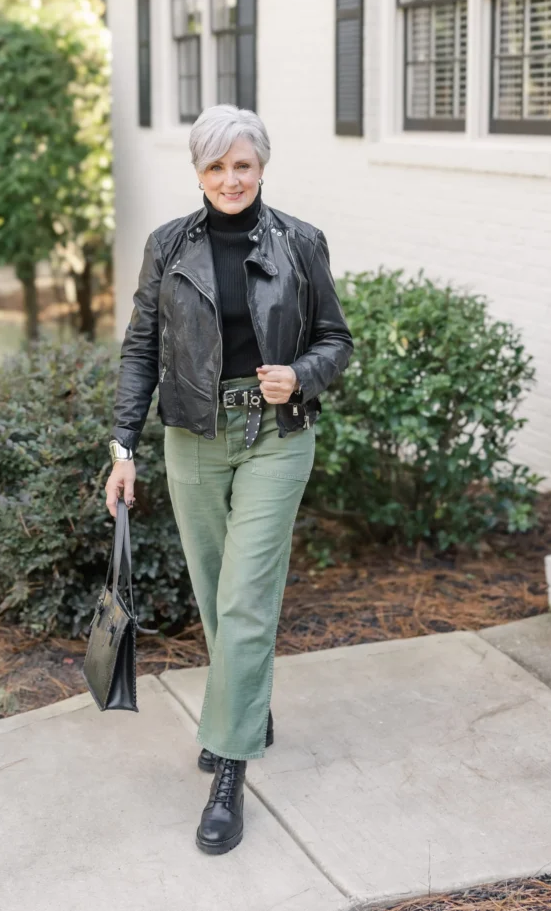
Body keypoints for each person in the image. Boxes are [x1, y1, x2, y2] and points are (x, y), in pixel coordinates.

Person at [105, 103, 353, 856]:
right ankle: (248, 706)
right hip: (194, 436)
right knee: (216, 594)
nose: (229, 178)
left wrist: (299, 375)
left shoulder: (300, 242)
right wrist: (122, 446)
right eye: (215, 166)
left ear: (261, 167)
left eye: (241, 163)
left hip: (275, 436)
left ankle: (228, 768)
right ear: (198, 172)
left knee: (246, 597)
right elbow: (141, 347)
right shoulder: (167, 245)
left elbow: (336, 342)